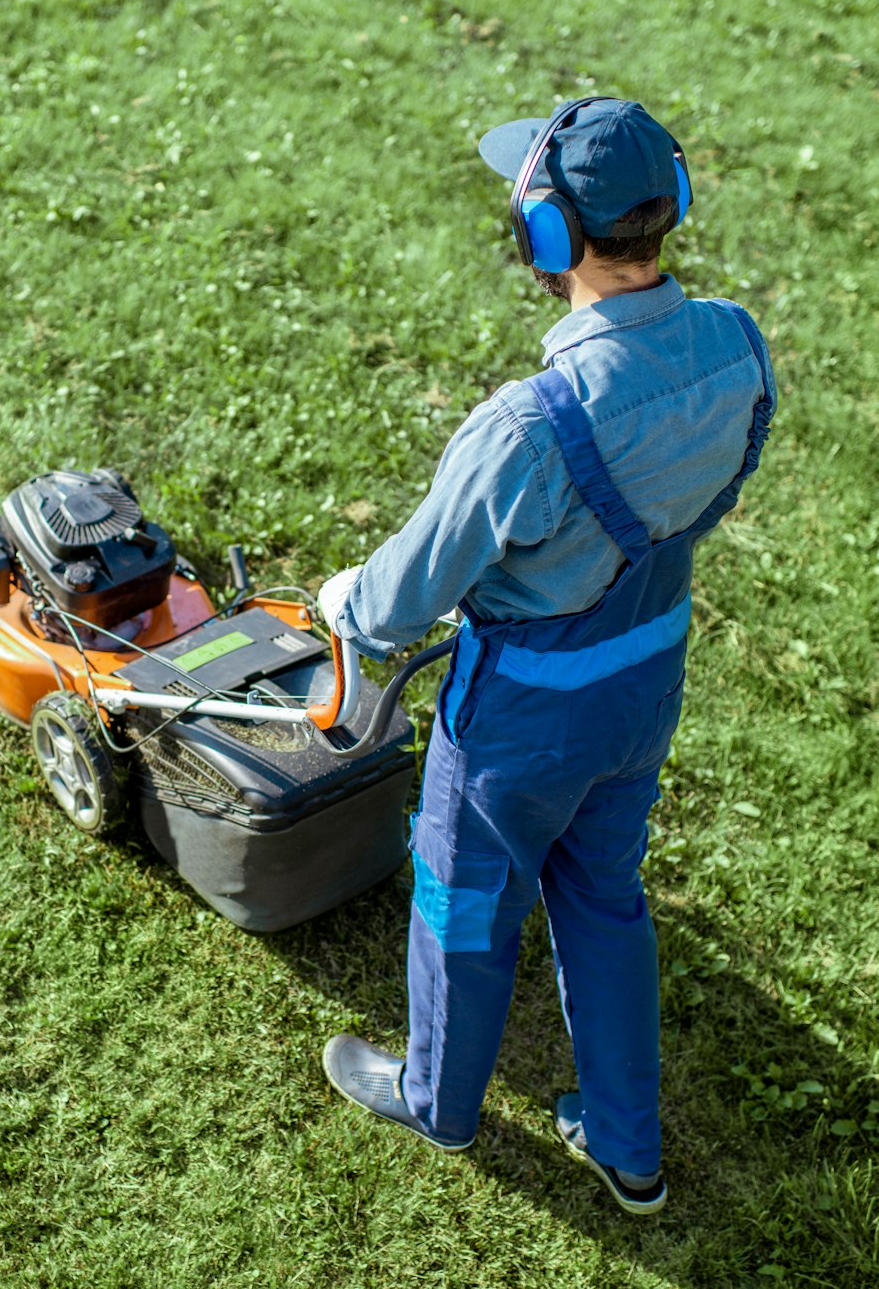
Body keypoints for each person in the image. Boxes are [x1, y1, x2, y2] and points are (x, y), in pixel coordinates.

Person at [316, 97, 776, 1216]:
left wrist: (346, 600)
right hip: (644, 677)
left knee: (464, 908)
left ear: (547, 239)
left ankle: (437, 1102)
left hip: (522, 717)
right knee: (602, 894)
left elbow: (398, 598)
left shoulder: (527, 425)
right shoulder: (735, 344)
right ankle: (627, 1149)